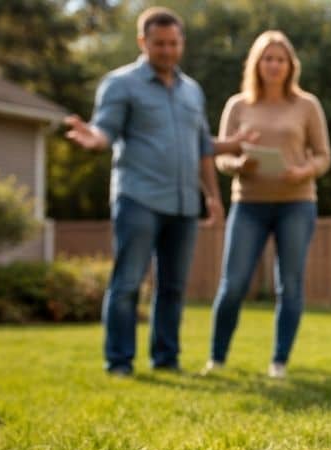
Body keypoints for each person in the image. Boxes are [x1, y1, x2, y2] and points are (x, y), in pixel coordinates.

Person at [65, 6, 252, 376]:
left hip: (184, 204)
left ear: (181, 43)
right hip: (139, 198)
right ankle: (119, 362)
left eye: (172, 43)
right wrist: (95, 139)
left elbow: (201, 146)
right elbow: (105, 129)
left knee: (173, 287)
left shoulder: (192, 91)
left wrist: (213, 192)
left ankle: (166, 359)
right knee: (128, 283)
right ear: (143, 42)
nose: (166, 50)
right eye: (158, 44)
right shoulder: (121, 84)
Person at [202, 30, 331, 379]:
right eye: (267, 58)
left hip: (296, 204)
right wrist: (238, 165)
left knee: (289, 285)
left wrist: (304, 170)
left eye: (280, 59)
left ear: (291, 65)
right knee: (233, 284)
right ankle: (216, 358)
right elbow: (220, 157)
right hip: (249, 205)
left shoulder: (307, 105)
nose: (274, 65)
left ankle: (279, 362)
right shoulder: (238, 105)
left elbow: (323, 156)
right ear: (256, 64)